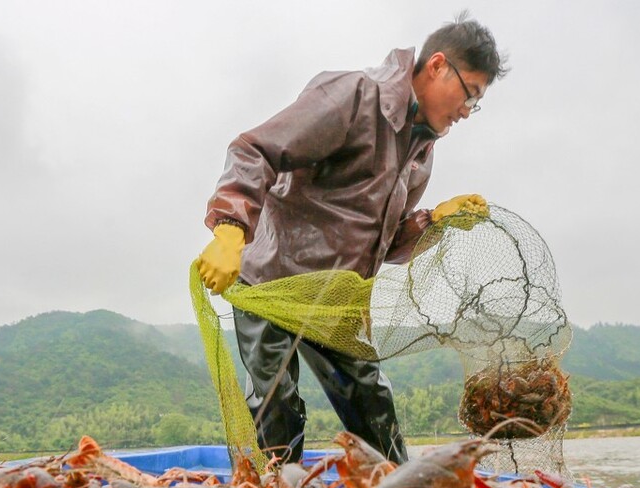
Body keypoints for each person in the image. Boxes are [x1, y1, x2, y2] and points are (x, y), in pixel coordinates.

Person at [196, 12, 508, 465]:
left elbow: (386, 245)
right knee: (275, 402)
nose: (466, 111)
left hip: (337, 299)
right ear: (438, 65)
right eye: (470, 94)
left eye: (475, 103)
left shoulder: (421, 152)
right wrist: (229, 229)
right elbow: (254, 150)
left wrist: (433, 221)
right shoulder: (354, 95)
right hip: (273, 281)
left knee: (371, 403)